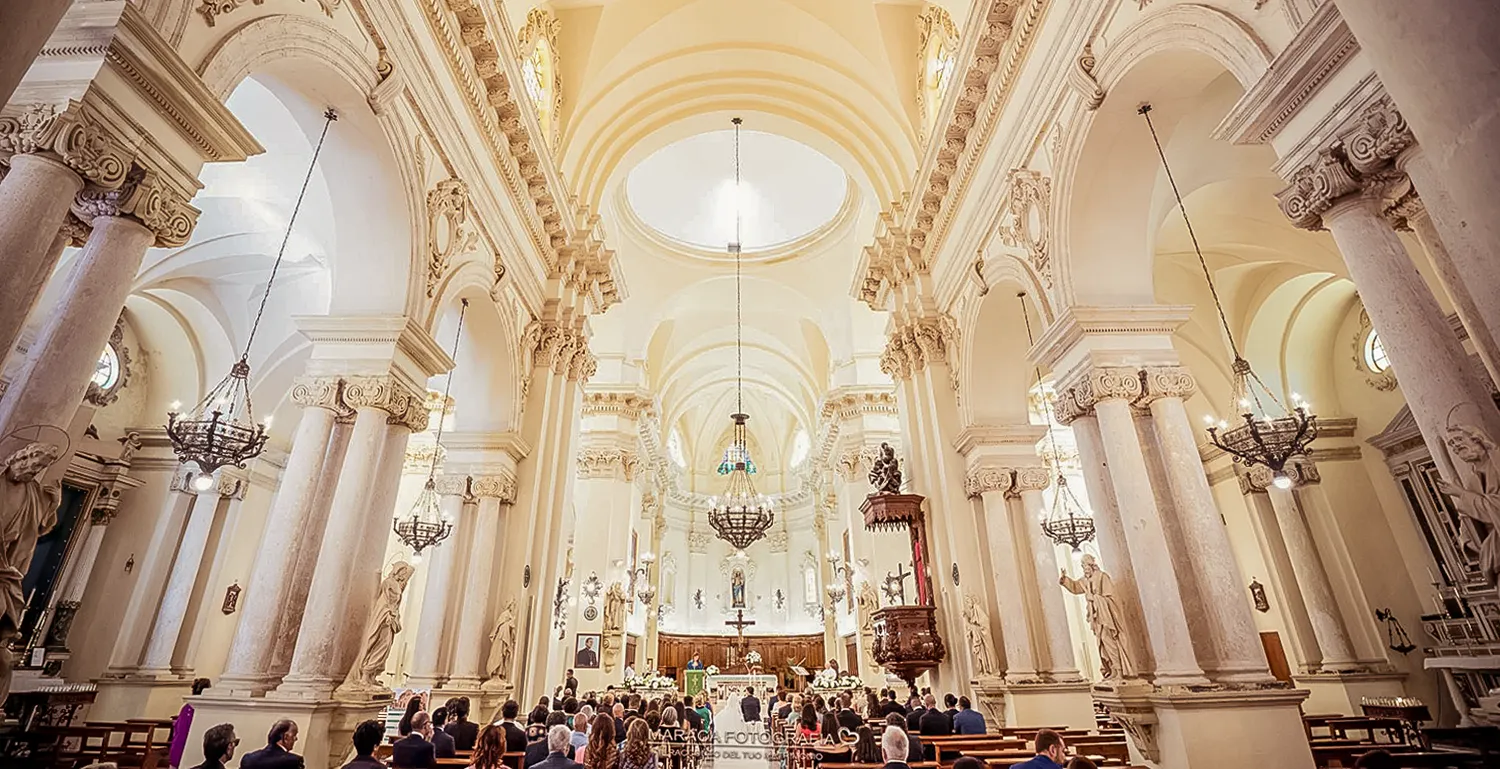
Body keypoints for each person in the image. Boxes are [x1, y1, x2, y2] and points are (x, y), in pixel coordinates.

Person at [169, 678, 214, 769]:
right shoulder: (201, 709)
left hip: (177, 747)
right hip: (189, 748)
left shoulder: (186, 707)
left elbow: (177, 727)